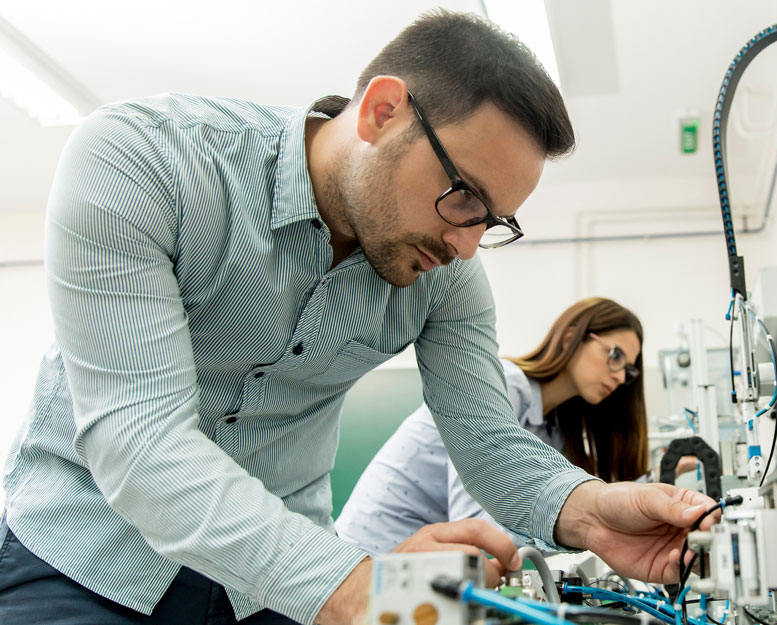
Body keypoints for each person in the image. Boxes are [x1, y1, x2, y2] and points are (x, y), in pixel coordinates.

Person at [0, 11, 715, 625]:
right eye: (463, 195)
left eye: (493, 221)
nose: (467, 242)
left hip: (263, 590)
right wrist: (352, 584)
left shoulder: (447, 275)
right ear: (382, 112)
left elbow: (488, 442)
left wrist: (592, 511)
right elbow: (142, 445)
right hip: (82, 559)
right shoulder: (143, 160)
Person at [338, 297, 695, 553]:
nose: (619, 377)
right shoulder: (503, 387)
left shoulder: (552, 431)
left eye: (629, 369)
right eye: (615, 356)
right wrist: (583, 528)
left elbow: (569, 504)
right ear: (571, 338)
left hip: (423, 567)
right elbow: (477, 524)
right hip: (373, 556)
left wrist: (657, 482)